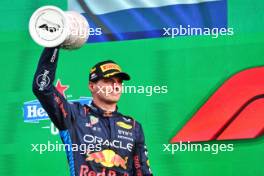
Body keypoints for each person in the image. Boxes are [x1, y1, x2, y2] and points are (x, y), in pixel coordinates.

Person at [32, 47, 153, 176]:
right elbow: (42, 87)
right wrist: (53, 45)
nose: (116, 86)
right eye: (108, 81)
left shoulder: (133, 126)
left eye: (119, 82)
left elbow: (143, 173)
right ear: (92, 86)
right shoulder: (75, 115)